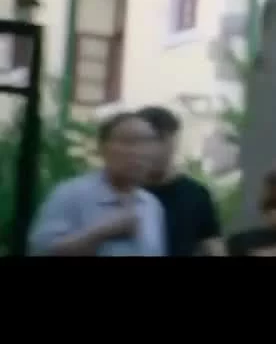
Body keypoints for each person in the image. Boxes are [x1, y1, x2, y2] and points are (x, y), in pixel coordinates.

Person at [28, 112, 167, 256]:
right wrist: (100, 233)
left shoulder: (152, 205)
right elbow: (41, 251)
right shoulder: (70, 195)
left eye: (147, 142)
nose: (139, 152)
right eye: (129, 142)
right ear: (102, 147)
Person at [137, 105, 225, 256]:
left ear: (175, 142)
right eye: (148, 140)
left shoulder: (196, 194)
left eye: (162, 140)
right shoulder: (121, 191)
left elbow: (212, 244)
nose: (156, 149)